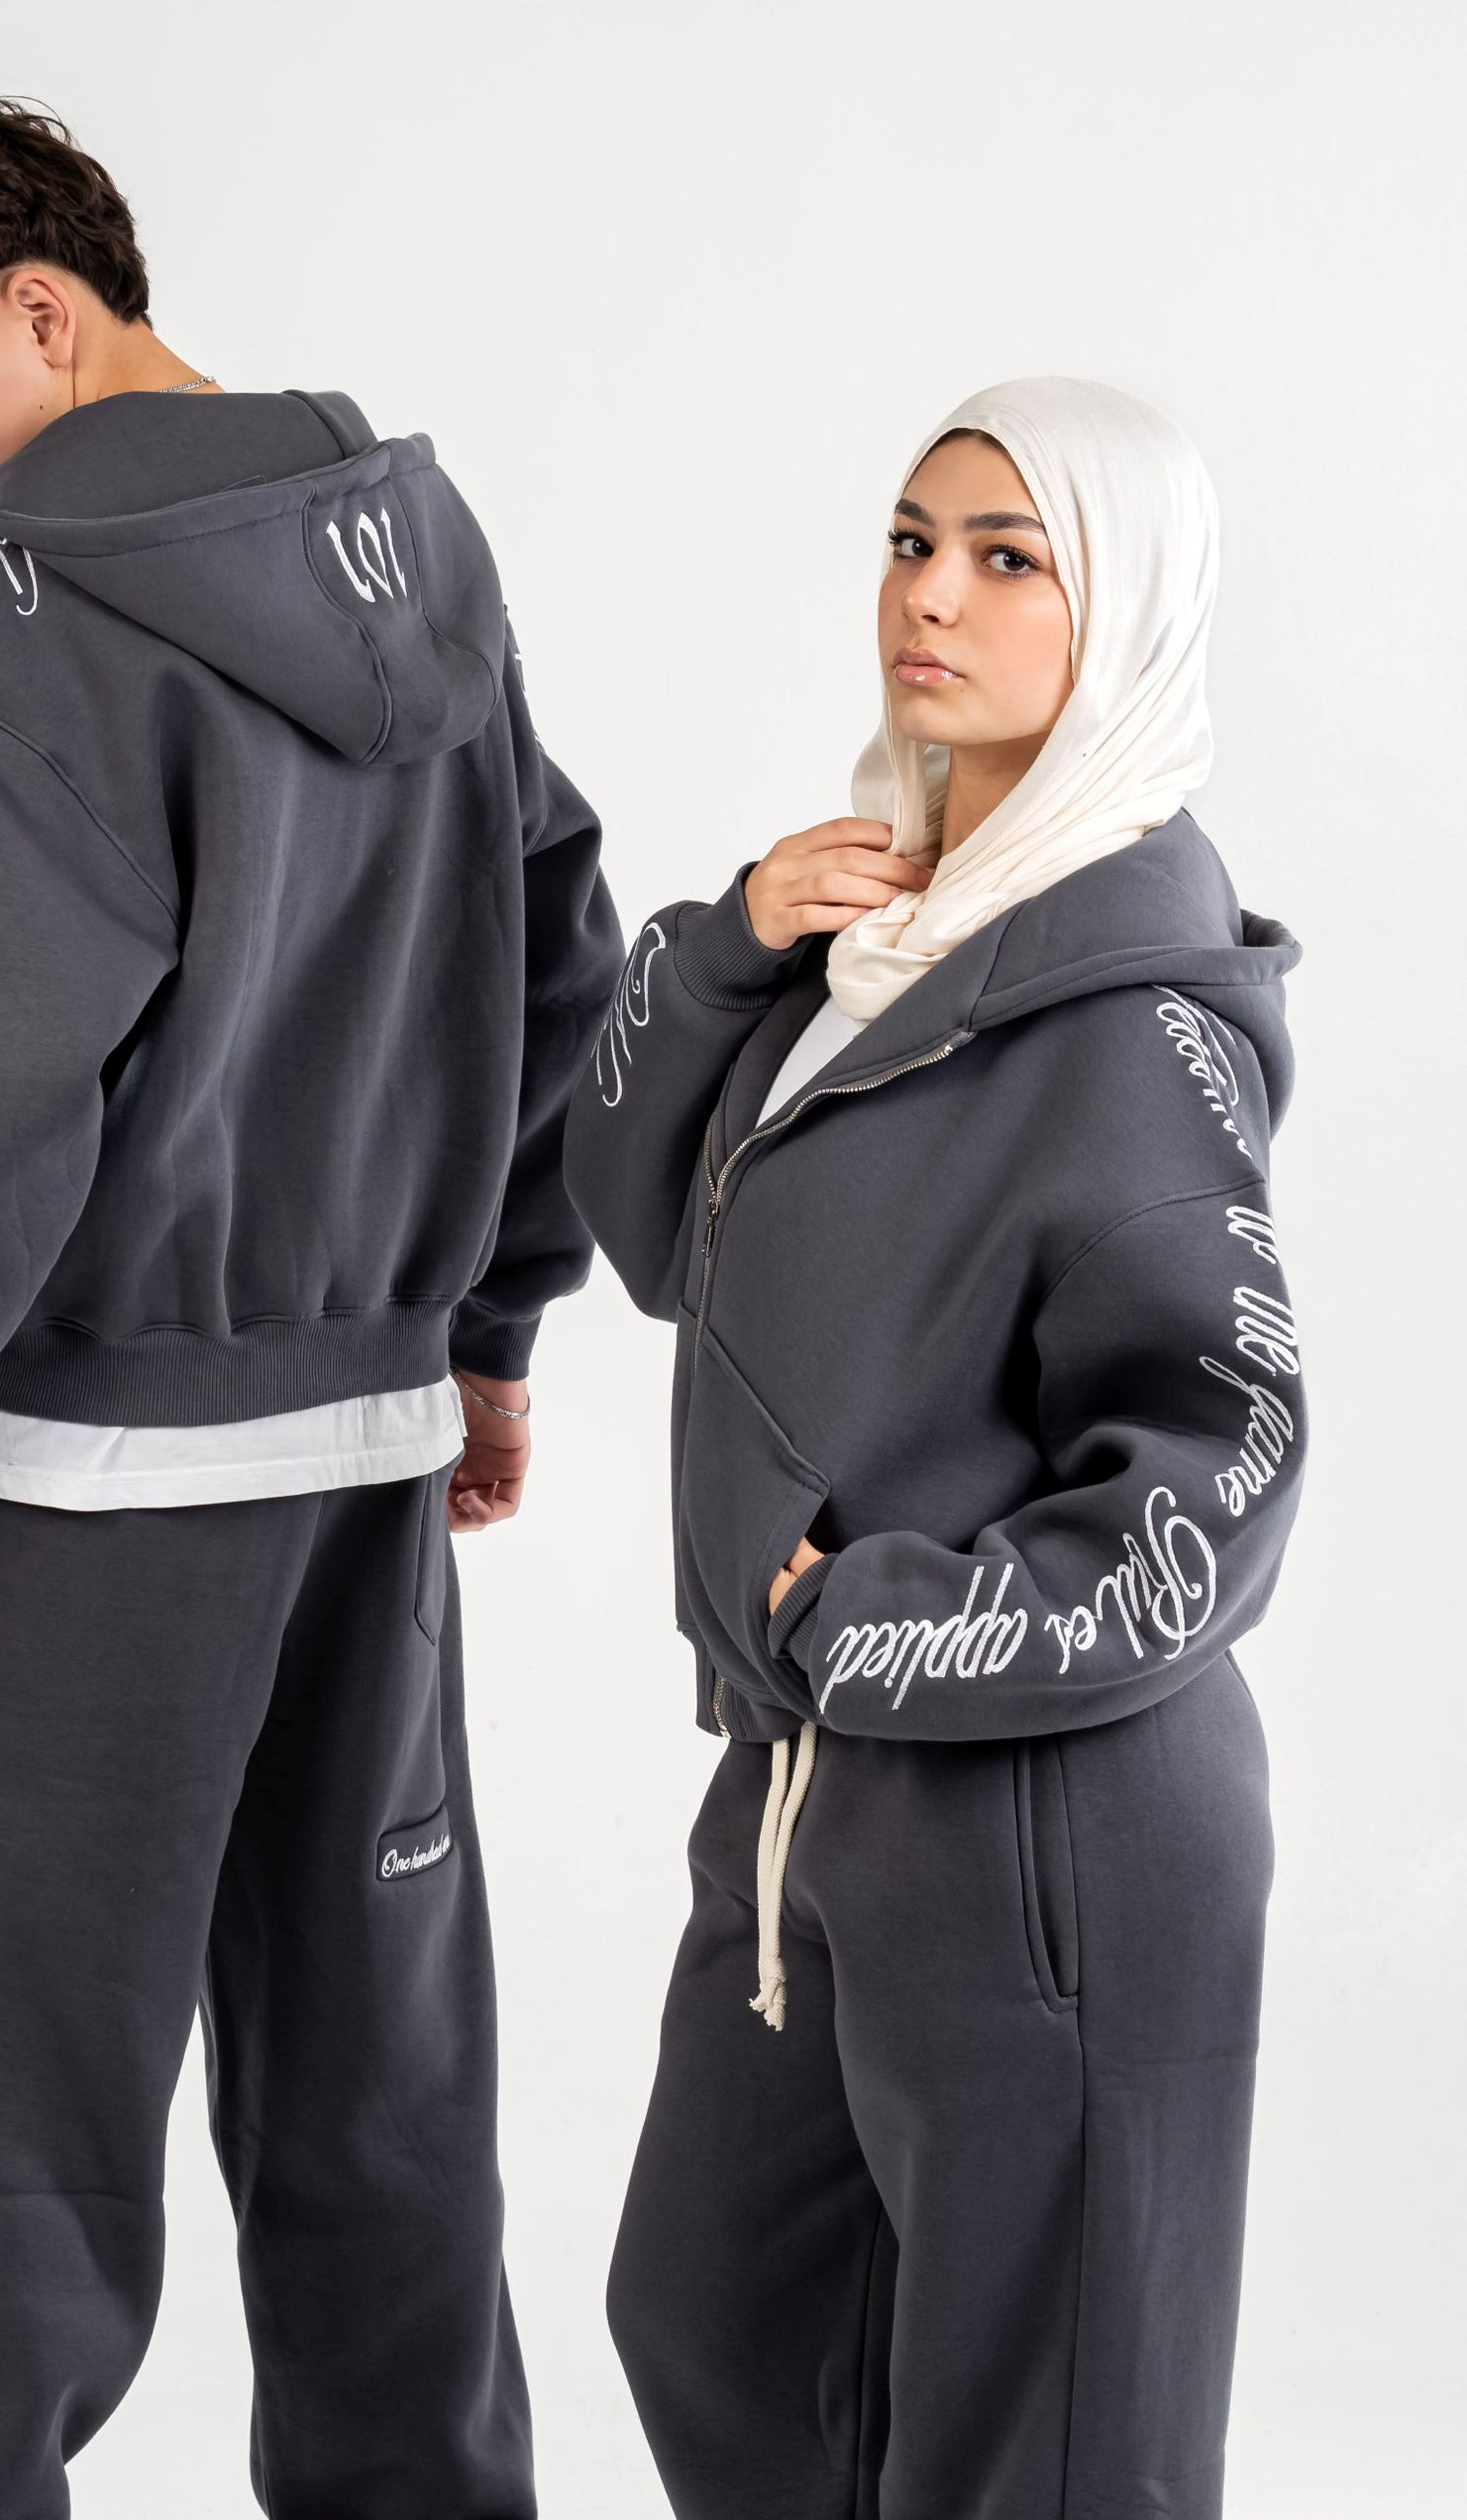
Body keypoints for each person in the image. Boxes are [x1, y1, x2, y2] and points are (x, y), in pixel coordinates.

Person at [0, 94, 622, 2520]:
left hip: (72, 1490)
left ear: (45, 312)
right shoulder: (418, 535)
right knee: (381, 2115)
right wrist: (490, 1320)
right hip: (362, 1458)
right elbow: (553, 938)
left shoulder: (27, 590)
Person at [562, 374, 1309, 2518]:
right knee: (714, 2324)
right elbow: (646, 1228)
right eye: (908, 541)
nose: (929, 598)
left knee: (1035, 2458)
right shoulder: (875, 948)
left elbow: (1224, 1465)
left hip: (1045, 1813)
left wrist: (871, 1619)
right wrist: (727, 950)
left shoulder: (1131, 1019)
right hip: (813, 1791)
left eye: (1006, 558)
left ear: (1124, 612)